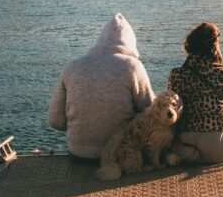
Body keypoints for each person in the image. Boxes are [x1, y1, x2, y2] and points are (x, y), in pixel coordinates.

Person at [48, 12, 155, 160]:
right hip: (120, 152)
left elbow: (55, 120)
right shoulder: (131, 66)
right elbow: (151, 112)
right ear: (131, 42)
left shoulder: (72, 66)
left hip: (78, 152)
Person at [167, 22, 223, 165]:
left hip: (185, 148)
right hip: (219, 150)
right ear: (215, 46)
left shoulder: (176, 75)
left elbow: (171, 114)